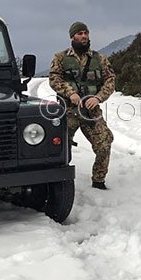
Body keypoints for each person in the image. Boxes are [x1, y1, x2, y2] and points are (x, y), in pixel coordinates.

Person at [49, 21, 116, 190]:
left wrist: (98, 98)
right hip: (67, 111)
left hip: (91, 111)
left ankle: (98, 180)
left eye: (86, 33)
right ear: (72, 36)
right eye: (80, 33)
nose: (84, 36)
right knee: (60, 147)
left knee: (104, 143)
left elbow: (110, 80)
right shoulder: (60, 58)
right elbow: (54, 79)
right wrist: (70, 93)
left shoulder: (99, 59)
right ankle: (59, 180)